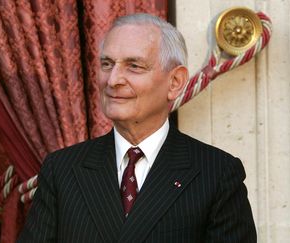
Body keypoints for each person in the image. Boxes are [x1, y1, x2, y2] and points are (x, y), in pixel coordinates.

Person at [17, 13, 256, 243]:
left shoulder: (217, 174)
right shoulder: (61, 170)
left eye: (134, 66)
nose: (113, 80)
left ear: (175, 82)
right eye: (107, 64)